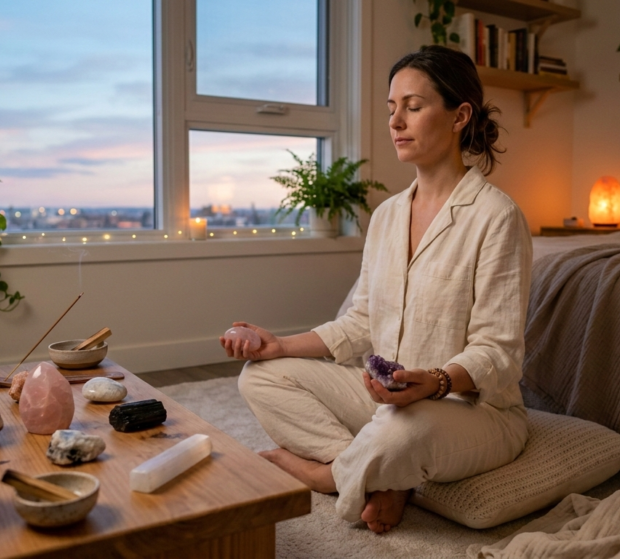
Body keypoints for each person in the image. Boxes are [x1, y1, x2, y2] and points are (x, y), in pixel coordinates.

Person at [219, 46, 532, 534]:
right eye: (392, 109)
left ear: (459, 116)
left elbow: (500, 353)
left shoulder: (497, 216)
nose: (397, 122)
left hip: (468, 410)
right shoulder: (386, 216)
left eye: (413, 106)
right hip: (385, 397)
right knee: (259, 376)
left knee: (401, 430)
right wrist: (279, 345)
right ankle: (381, 475)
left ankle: (328, 475)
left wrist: (436, 381)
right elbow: (360, 321)